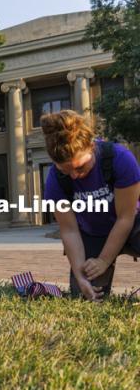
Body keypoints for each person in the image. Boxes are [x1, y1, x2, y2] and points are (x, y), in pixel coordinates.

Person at [41, 110, 140, 301]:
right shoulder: (55, 179)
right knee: (86, 294)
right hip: (93, 233)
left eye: (80, 167)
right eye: (66, 170)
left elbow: (125, 218)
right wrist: (80, 275)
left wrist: (104, 260)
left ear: (91, 146)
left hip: (131, 225)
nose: (74, 176)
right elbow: (69, 230)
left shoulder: (120, 159)